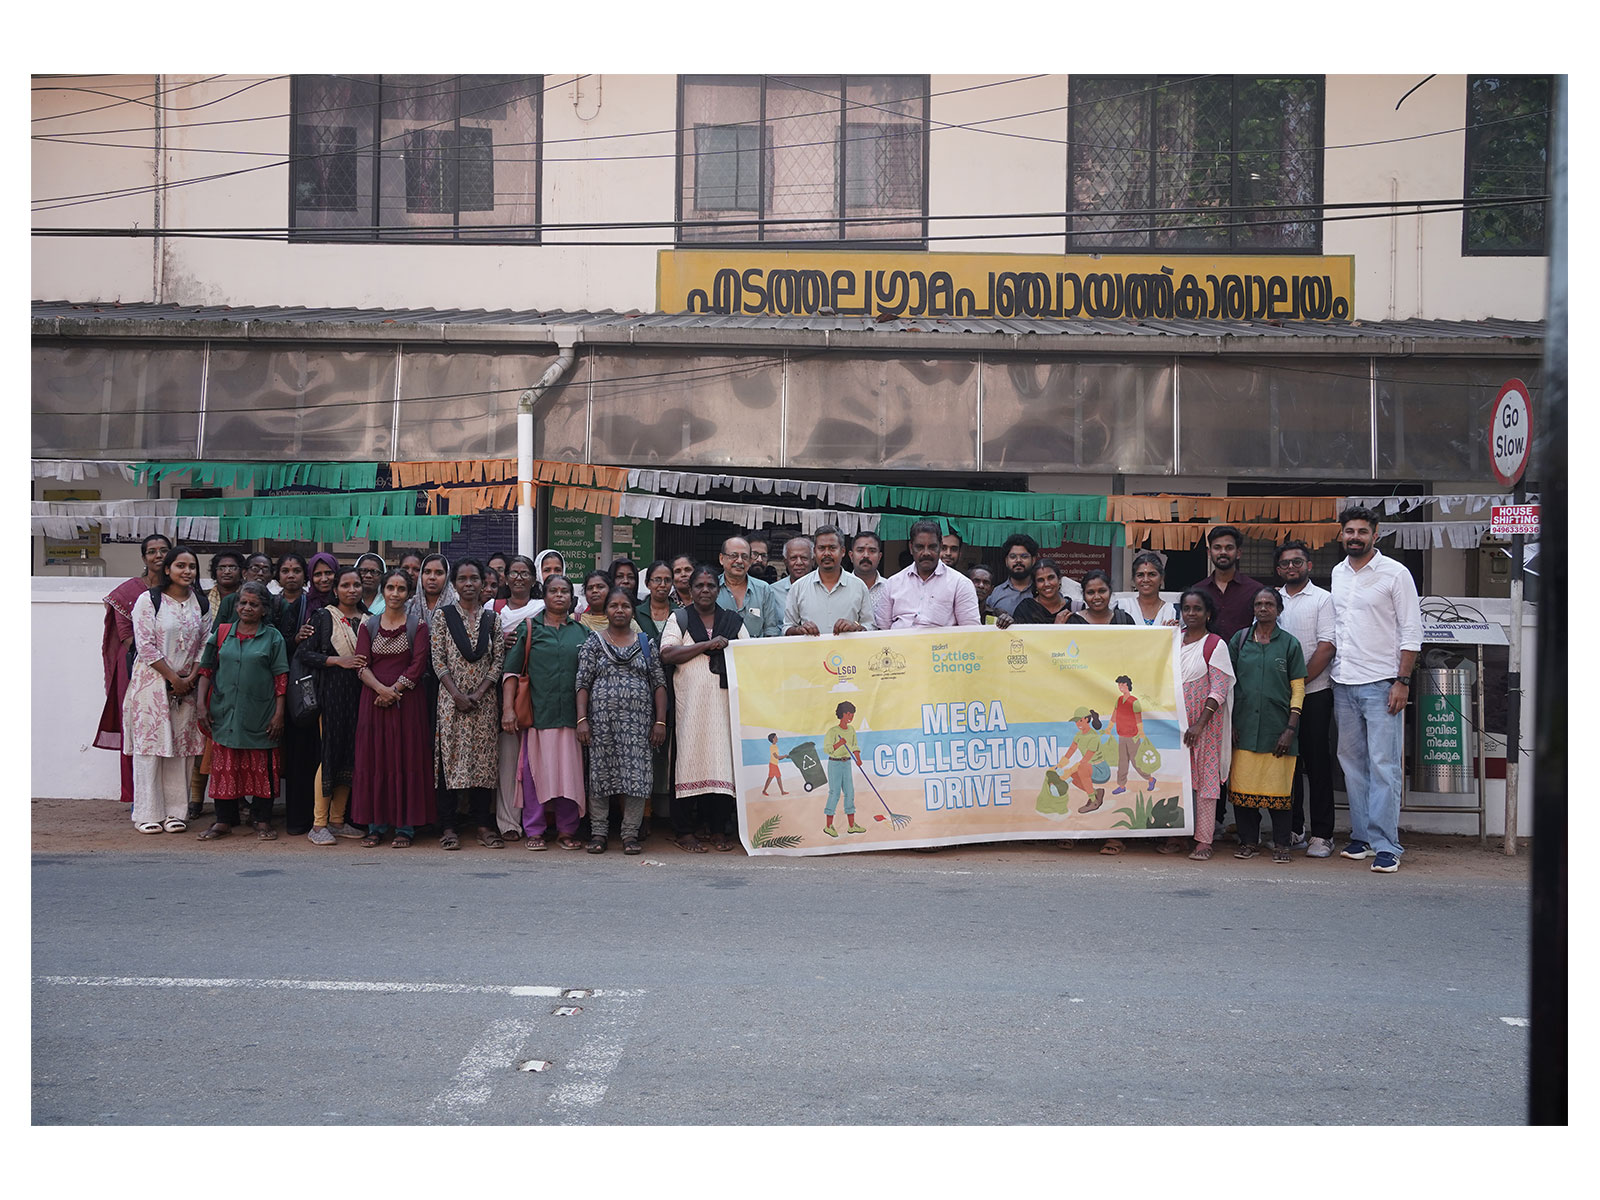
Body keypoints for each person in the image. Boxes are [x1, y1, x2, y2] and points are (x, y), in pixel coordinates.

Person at [1329, 505, 1421, 874]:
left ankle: (1387, 845)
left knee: (1384, 766)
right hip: (1343, 682)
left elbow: (1412, 631)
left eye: (1361, 532)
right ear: (1342, 535)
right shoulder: (1337, 573)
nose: (1355, 537)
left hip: (1383, 683)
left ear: (1375, 534)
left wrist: (1403, 680)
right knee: (1352, 766)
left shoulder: (1395, 574)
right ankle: (1363, 837)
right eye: (1349, 531)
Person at [659, 564, 749, 852]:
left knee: (722, 762)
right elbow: (668, 653)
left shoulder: (733, 622)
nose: (705, 590)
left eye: (711, 585)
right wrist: (707, 645)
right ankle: (684, 831)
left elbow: (749, 657)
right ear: (691, 589)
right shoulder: (681, 618)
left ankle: (718, 829)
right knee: (687, 762)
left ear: (718, 590)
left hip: (723, 709)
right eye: (699, 585)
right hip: (690, 710)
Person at [576, 588, 668, 855]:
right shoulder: (594, 642)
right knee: (600, 776)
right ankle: (599, 833)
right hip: (601, 724)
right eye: (613, 606)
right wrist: (582, 719)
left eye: (625, 606)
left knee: (637, 778)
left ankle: (630, 834)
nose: (619, 610)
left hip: (639, 727)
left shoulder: (646, 643)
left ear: (632, 611)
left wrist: (660, 722)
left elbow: (659, 684)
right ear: (606, 611)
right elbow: (582, 683)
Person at [122, 543, 206, 833]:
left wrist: (190, 678)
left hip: (186, 688)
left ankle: (175, 814)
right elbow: (144, 645)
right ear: (167, 569)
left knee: (181, 750)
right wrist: (173, 677)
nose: (187, 571)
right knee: (150, 748)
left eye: (192, 566)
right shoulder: (149, 600)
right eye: (180, 566)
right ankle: (147, 814)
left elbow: (205, 644)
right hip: (152, 686)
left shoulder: (200, 603)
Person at [195, 581, 288, 841]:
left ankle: (261, 819)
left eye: (254, 604)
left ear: (264, 610)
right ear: (236, 606)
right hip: (224, 712)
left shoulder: (273, 637)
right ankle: (224, 820)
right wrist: (202, 705)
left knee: (261, 767)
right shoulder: (223, 633)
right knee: (225, 765)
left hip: (260, 712)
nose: (247, 608)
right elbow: (206, 669)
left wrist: (279, 714)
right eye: (243, 603)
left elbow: (281, 677)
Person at [503, 573, 588, 851]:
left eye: (565, 591)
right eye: (554, 591)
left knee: (569, 777)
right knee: (534, 775)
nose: (560, 595)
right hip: (538, 716)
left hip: (572, 719)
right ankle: (535, 830)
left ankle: (566, 830)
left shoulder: (582, 632)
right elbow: (511, 672)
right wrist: (508, 710)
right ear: (545, 595)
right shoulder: (530, 629)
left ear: (571, 598)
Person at [351, 569, 435, 849]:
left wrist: (394, 691)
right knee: (375, 761)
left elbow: (418, 665)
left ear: (409, 594)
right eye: (390, 588)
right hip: (373, 702)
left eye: (401, 589)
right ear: (383, 591)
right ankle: (375, 827)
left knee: (405, 760)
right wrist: (381, 690)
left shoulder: (418, 626)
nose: (395, 594)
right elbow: (361, 664)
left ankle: (404, 827)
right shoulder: (368, 625)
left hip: (407, 703)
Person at [1192, 524, 1265, 837]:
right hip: (1205, 686)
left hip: (1247, 684)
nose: (1223, 552)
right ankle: (1214, 822)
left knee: (1242, 750)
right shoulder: (1198, 591)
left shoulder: (1254, 592)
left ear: (1239, 552)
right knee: (1209, 749)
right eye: (1217, 547)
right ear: (1209, 552)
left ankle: (1248, 826)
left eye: (1228, 547)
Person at [1228, 587, 1308, 864]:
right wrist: (1231, 723)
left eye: (1269, 604)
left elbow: (1298, 687)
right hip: (1245, 727)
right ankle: (1249, 841)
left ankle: (1282, 844)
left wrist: (1290, 727)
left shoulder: (1289, 644)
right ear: (1253, 609)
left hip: (1279, 730)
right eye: (1259, 604)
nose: (1263, 608)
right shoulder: (1239, 641)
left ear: (1279, 609)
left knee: (1280, 791)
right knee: (1243, 790)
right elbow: (1228, 684)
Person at [432, 558, 506, 849]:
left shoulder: (492, 620)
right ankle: (449, 826)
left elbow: (497, 659)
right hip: (451, 702)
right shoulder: (443, 616)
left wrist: (478, 693)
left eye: (474, 579)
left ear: (483, 583)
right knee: (449, 762)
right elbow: (437, 658)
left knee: (483, 763)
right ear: (454, 584)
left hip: (483, 703)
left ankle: (483, 825)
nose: (469, 584)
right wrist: (457, 694)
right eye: (462, 579)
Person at [97, 532, 173, 807]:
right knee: (137, 730)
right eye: (152, 551)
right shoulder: (127, 592)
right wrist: (159, 657)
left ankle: (170, 798)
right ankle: (137, 796)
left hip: (176, 668)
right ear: (144, 557)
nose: (158, 555)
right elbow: (128, 636)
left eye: (164, 550)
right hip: (134, 668)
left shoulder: (180, 589)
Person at [1275, 539, 1337, 856]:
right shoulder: (1272, 600)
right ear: (1278, 569)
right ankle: (1295, 828)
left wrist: (1297, 683)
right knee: (1289, 764)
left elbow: (1326, 647)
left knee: (1317, 763)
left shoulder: (1323, 600)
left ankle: (1323, 833)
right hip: (1282, 700)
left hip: (1314, 694)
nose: (1291, 568)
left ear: (1309, 566)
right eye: (1285, 564)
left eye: (1297, 562)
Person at [299, 566, 369, 842]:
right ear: (336, 589)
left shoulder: (369, 620)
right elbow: (305, 653)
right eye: (345, 585)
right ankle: (318, 824)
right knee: (329, 755)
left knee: (350, 756)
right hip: (331, 694)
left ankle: (338, 820)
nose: (351, 590)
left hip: (359, 695)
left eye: (356, 585)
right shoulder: (324, 617)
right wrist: (338, 661)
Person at [1177, 588, 1235, 861]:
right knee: (1177, 780)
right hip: (1176, 726)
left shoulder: (1215, 644)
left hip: (1206, 728)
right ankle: (1175, 836)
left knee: (1206, 783)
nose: (1191, 614)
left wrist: (1200, 724)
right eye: (1186, 609)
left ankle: (1203, 841)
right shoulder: (1173, 642)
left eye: (1197, 609)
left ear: (1207, 613)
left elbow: (1219, 690)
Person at [489, 554, 541, 841]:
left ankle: (538, 823)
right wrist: (500, 640)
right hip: (502, 692)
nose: (519, 578)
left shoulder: (543, 608)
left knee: (535, 762)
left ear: (534, 580)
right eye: (514, 573)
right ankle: (508, 823)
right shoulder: (492, 608)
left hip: (537, 692)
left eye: (525, 573)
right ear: (505, 578)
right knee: (508, 760)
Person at [269, 552, 320, 837]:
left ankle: (310, 817)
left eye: (296, 570)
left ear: (305, 575)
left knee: (305, 753)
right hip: (274, 683)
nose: (291, 575)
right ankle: (279, 816)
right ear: (278, 575)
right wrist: (293, 639)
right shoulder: (271, 604)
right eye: (285, 570)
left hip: (304, 687)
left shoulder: (311, 604)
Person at [636, 560, 680, 827]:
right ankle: (644, 815)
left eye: (667, 580)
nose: (662, 585)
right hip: (642, 690)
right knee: (644, 752)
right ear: (648, 583)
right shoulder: (636, 613)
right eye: (657, 580)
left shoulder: (682, 613)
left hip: (676, 687)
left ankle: (671, 814)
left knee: (672, 751)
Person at [875, 520, 982, 630]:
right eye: (920, 547)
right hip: (899, 645)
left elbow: (970, 631)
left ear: (940, 546)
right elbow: (882, 629)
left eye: (932, 547)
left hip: (942, 646)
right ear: (911, 548)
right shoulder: (893, 583)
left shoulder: (960, 584)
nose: (926, 553)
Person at [784, 525, 874, 636]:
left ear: (843, 551)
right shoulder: (798, 587)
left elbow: (870, 626)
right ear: (814, 552)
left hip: (848, 652)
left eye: (832, 548)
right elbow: (787, 628)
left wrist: (855, 627)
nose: (827, 553)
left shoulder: (858, 586)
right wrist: (799, 630)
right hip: (810, 652)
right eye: (821, 548)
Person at [717, 535, 783, 637]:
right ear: (722, 559)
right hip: (720, 651)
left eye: (744, 557)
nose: (739, 561)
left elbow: (771, 629)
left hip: (756, 651)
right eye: (734, 555)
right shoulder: (711, 588)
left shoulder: (763, 589)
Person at [820, 701, 868, 838]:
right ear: (842, 714)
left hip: (847, 763)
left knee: (849, 792)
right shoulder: (833, 731)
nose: (851, 716)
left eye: (852, 714)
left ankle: (852, 826)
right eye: (848, 713)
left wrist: (857, 758)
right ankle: (828, 826)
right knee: (834, 793)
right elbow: (827, 749)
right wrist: (838, 744)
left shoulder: (851, 730)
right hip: (834, 764)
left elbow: (854, 746)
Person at [1116, 551, 1181, 626]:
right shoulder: (1123, 607)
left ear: (1162, 578)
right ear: (1134, 579)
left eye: (1152, 574)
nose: (1146, 580)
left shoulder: (1173, 610)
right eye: (1140, 575)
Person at [990, 534, 1046, 616]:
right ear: (1006, 561)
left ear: (1033, 560)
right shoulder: (995, 594)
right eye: (1013, 557)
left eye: (1024, 556)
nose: (1018, 560)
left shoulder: (1044, 590)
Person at [1012, 559, 1075, 624]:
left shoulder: (1074, 608)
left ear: (1059, 579)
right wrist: (1056, 627)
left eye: (1051, 577)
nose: (1047, 584)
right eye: (1040, 580)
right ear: (1035, 584)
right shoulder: (1025, 609)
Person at [1066, 569, 1135, 625]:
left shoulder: (1124, 620)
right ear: (1084, 596)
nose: (1097, 597)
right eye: (1090, 592)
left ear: (1110, 592)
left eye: (1102, 591)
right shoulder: (1074, 622)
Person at [406, 551, 456, 627]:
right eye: (427, 572)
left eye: (439, 573)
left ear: (447, 576)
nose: (432, 577)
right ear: (421, 576)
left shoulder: (457, 605)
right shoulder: (410, 605)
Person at [847, 531, 888, 613]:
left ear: (879, 557)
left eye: (872, 551)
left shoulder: (889, 588)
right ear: (851, 556)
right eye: (860, 550)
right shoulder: (842, 587)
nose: (866, 555)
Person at [770, 536, 815, 610]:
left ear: (812, 561)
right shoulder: (773, 592)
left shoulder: (822, 589)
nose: (799, 563)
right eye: (793, 558)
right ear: (786, 562)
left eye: (804, 558)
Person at [206, 550, 244, 615]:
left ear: (242, 571)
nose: (227, 572)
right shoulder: (204, 598)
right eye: (221, 568)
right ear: (215, 571)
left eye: (232, 567)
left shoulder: (248, 596)